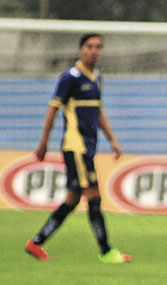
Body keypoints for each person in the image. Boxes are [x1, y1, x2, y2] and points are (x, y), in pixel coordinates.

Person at [24, 33, 131, 264]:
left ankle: (36, 243)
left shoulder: (97, 78)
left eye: (98, 47)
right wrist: (43, 142)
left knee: (72, 199)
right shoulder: (70, 78)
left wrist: (112, 139)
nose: (94, 51)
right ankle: (106, 251)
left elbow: (98, 111)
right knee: (94, 197)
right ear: (81, 50)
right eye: (90, 46)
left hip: (88, 146)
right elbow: (53, 109)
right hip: (76, 146)